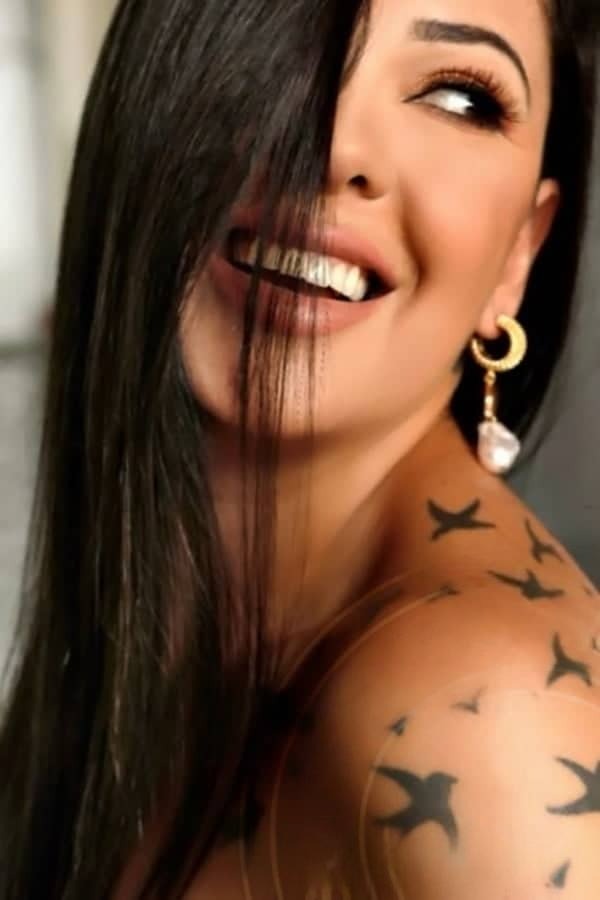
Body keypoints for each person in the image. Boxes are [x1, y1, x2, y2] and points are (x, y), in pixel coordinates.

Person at [1, 0, 599, 897]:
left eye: (459, 97)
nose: (334, 152)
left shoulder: (484, 714)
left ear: (522, 250)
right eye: (282, 43)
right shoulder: (140, 651)